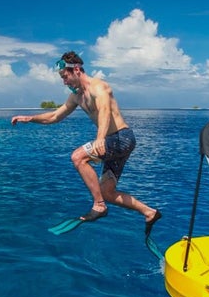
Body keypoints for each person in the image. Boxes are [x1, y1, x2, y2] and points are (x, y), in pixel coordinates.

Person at [11, 51, 161, 236]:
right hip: (114, 142)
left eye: (65, 77)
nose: (64, 82)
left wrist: (100, 138)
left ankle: (99, 206)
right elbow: (55, 116)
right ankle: (149, 212)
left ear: (76, 70)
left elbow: (105, 110)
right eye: (62, 78)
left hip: (122, 137)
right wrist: (29, 118)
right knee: (107, 192)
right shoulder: (77, 96)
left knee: (78, 157)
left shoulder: (99, 86)